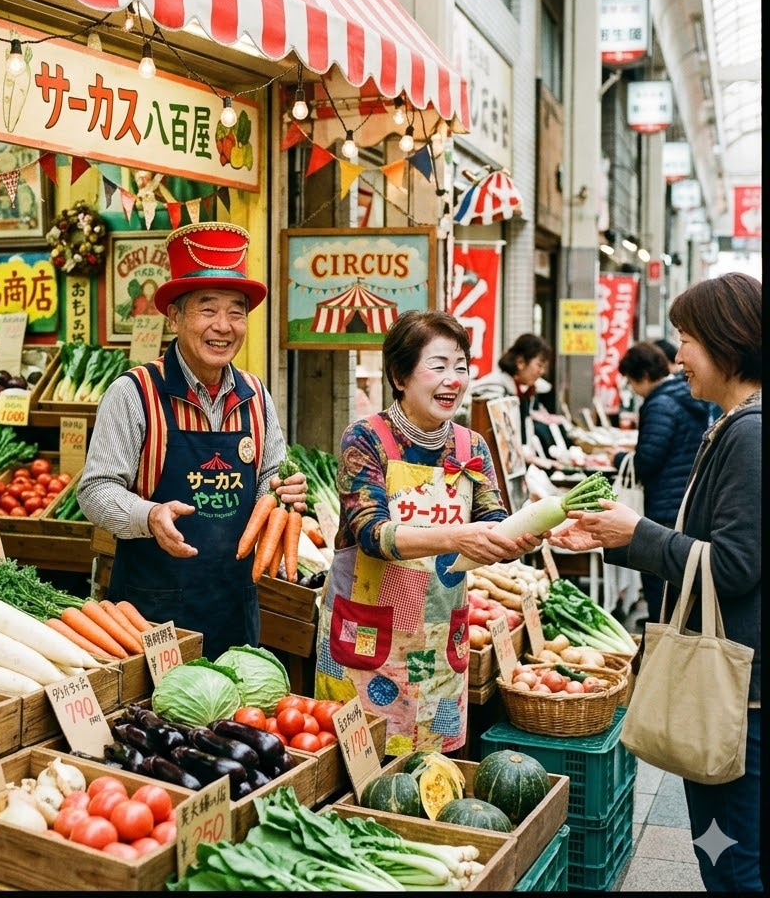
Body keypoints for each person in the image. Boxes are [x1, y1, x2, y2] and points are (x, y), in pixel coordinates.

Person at [551, 271, 762, 892]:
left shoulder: (749, 432)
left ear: (727, 342)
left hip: (741, 699)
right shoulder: (732, 422)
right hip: (742, 690)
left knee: (733, 862)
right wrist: (621, 538)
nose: (678, 356)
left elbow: (732, 565)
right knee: (729, 855)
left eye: (687, 338)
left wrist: (635, 532)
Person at [313, 311, 546, 755]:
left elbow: (494, 519)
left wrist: (524, 534)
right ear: (400, 375)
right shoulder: (365, 439)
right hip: (367, 639)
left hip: (440, 643)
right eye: (438, 366)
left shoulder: (471, 446)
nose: (453, 380)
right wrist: (457, 536)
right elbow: (371, 533)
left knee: (432, 773)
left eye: (460, 366)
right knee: (360, 766)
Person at [77, 221, 307, 660]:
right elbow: (95, 490)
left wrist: (281, 494)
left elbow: (270, 476)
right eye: (207, 309)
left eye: (236, 311)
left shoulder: (256, 395)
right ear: (175, 316)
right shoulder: (135, 393)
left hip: (234, 609)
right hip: (149, 616)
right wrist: (150, 515)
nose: (224, 326)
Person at [614, 341, 709, 627]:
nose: (632, 389)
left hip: (665, 501)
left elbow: (648, 460)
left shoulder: (659, 403)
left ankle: (660, 637)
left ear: (642, 375)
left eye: (631, 382)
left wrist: (620, 458)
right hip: (682, 496)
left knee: (658, 576)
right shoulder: (684, 396)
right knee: (674, 577)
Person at [469, 333, 559, 462]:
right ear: (520, 362)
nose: (542, 371)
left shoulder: (524, 390)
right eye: (539, 365)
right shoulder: (494, 388)